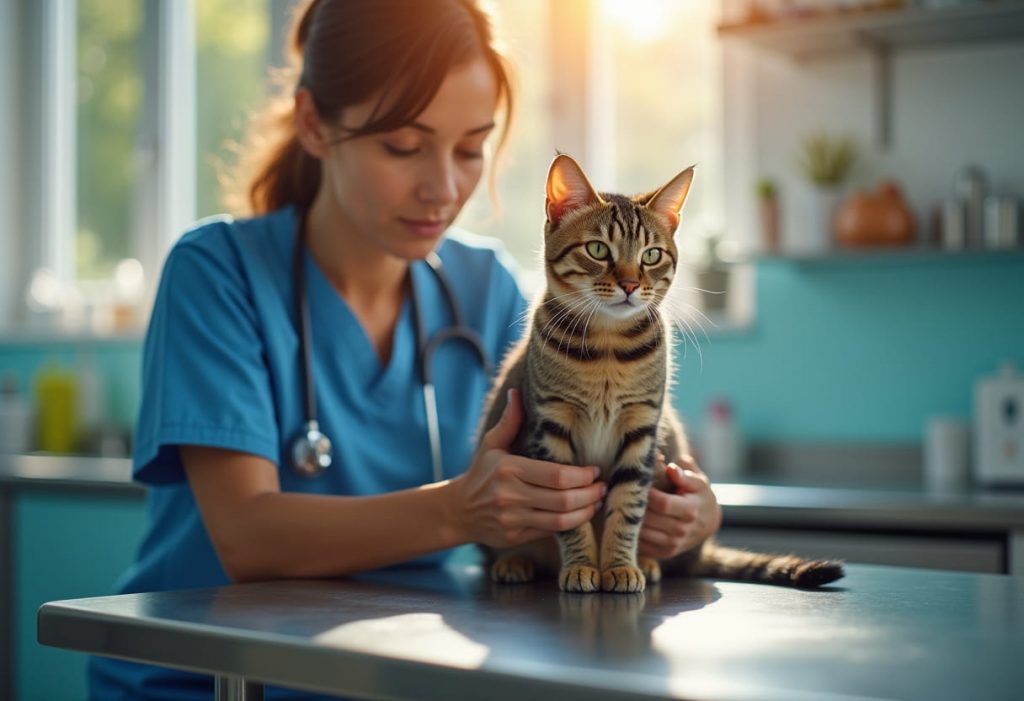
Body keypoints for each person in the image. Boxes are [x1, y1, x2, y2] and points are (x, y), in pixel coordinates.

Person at [88, 1, 722, 699]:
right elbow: (247, 538)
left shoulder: (485, 290)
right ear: (313, 125)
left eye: (471, 147)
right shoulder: (216, 272)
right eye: (403, 146)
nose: (444, 187)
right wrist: (459, 510)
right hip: (208, 679)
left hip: (398, 673)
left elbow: (604, 459)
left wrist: (689, 513)